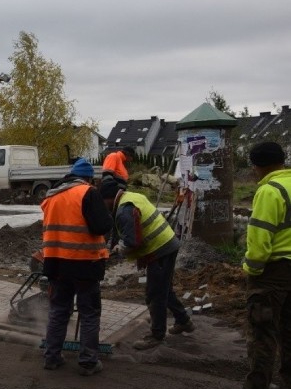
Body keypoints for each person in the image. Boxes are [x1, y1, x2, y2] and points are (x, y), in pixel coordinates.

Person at [217, 141, 291, 389]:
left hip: (273, 271)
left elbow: (259, 240)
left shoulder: (270, 191)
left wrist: (252, 270)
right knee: (289, 330)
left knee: (262, 331)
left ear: (257, 166)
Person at [99, 177, 194, 350]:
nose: (102, 205)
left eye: (103, 201)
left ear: (109, 198)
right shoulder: (132, 197)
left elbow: (132, 242)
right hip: (167, 244)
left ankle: (156, 336)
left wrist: (118, 250)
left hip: (160, 250)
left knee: (155, 294)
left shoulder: (124, 210)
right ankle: (183, 321)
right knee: (164, 289)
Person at [41, 158, 113, 376]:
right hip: (84, 263)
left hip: (55, 262)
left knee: (59, 311)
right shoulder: (87, 193)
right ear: (88, 177)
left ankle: (52, 357)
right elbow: (101, 225)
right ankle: (88, 362)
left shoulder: (51, 197)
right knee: (89, 313)